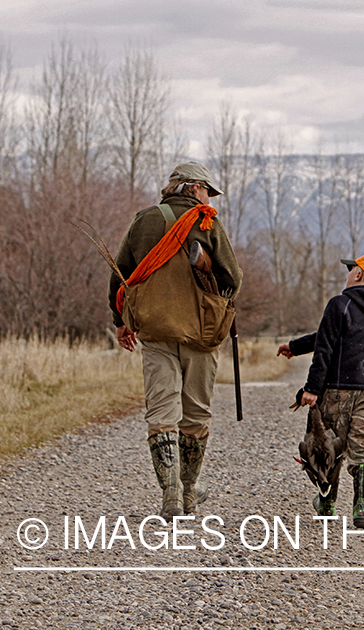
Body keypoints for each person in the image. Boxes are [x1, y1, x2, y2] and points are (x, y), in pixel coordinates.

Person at [109, 162, 242, 519]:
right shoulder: (206, 221)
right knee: (196, 414)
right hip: (201, 334)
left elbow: (120, 274)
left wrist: (120, 321)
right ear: (194, 188)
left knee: (161, 415)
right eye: (207, 191)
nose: (209, 198)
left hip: (154, 331)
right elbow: (234, 277)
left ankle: (171, 493)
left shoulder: (144, 220)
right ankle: (189, 490)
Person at [278, 254, 364, 526]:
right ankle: (363, 507)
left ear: (359, 275)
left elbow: (326, 347)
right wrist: (296, 346)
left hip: (336, 391)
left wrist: (312, 388)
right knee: (363, 446)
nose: (348, 272)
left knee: (330, 445)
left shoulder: (339, 303)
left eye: (351, 268)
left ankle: (327, 504)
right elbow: (326, 337)